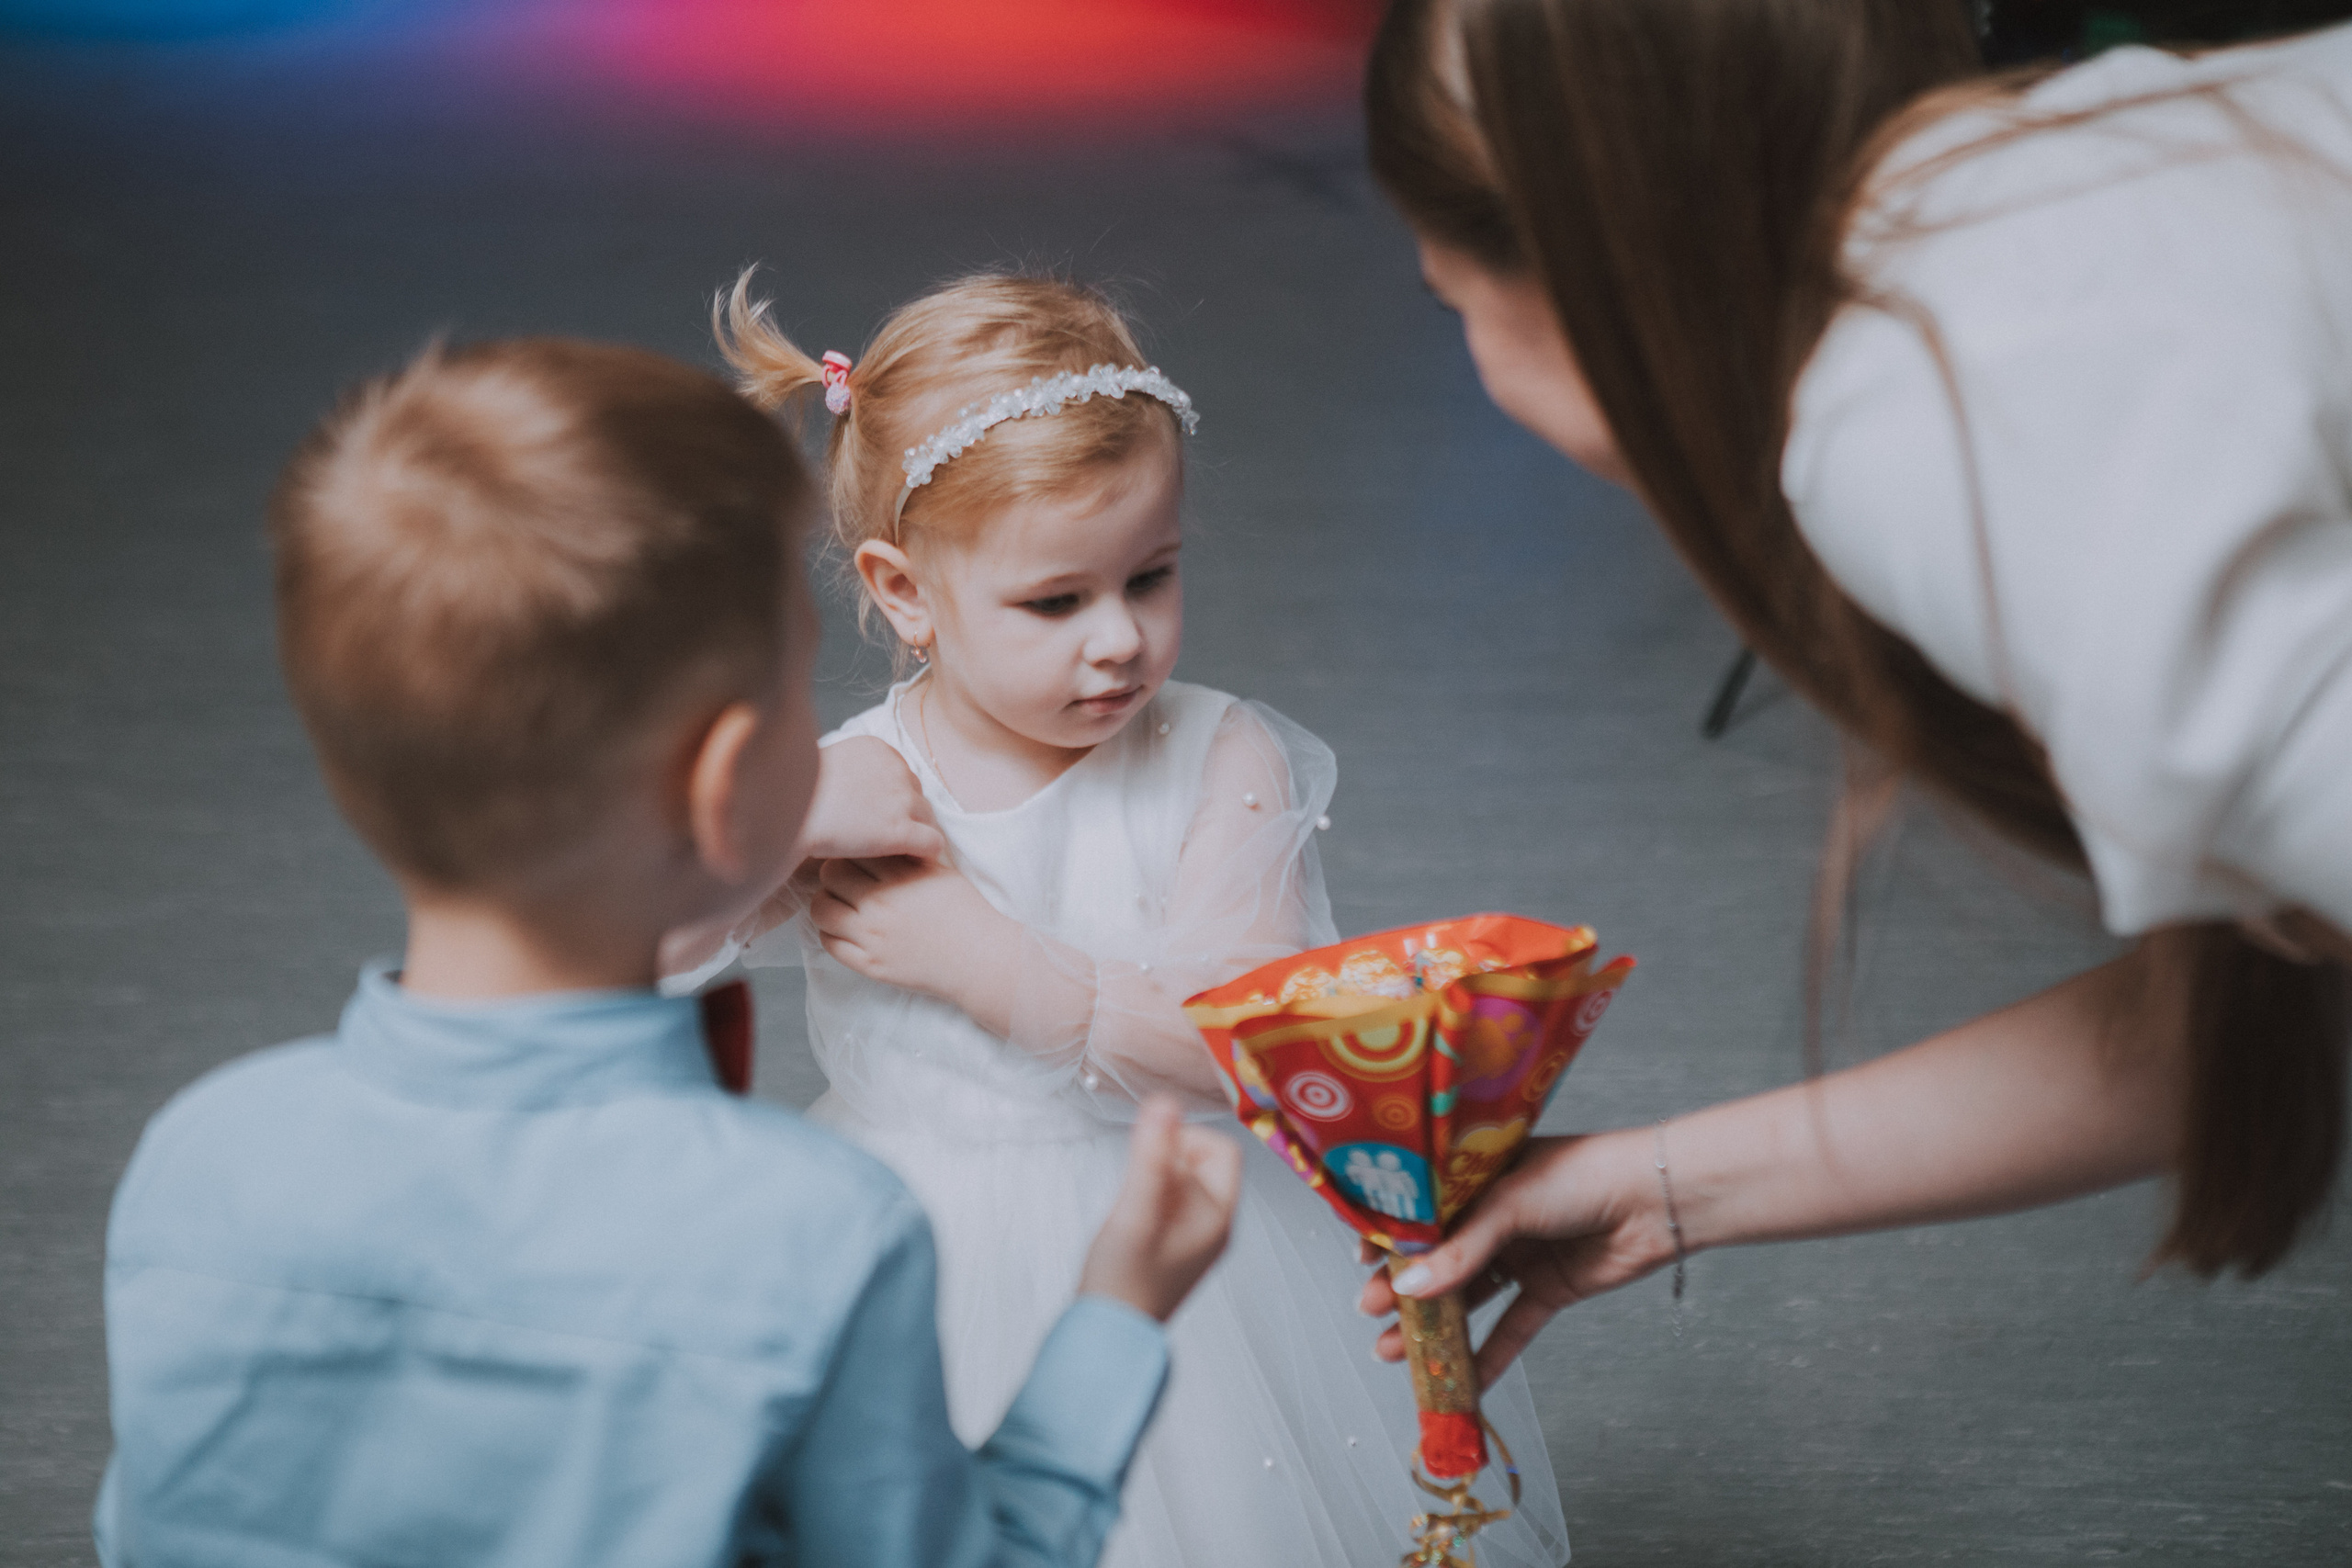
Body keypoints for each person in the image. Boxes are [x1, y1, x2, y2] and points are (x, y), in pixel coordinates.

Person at [94, 336, 1245, 1568]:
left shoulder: (201, 1158)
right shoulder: (819, 1234)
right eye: (805, 701)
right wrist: (1118, 1317)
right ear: (725, 786)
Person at [1353, 0, 2352, 1385]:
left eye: (1450, 297)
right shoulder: (2087, 148)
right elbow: (2288, 963)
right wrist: (1666, 1183)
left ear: (1588, 278)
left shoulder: (1916, 423)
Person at [681, 270, 1570, 1567]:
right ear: (904, 591)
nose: (1119, 641)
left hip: (1172, 1239)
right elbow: (642, 959)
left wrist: (993, 968)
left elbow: (1255, 1051)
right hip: (898, 1241)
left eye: (1150, 578)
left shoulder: (1219, 756)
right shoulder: (860, 779)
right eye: (1057, 602)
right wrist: (782, 828)